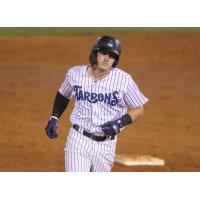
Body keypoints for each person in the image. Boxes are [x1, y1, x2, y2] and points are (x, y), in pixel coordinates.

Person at [45, 35, 149, 172]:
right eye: (104, 53)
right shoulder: (75, 74)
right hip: (79, 139)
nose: (107, 58)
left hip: (106, 145)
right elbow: (63, 94)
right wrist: (54, 116)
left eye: (111, 56)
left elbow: (139, 108)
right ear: (95, 54)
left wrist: (120, 122)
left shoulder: (124, 80)